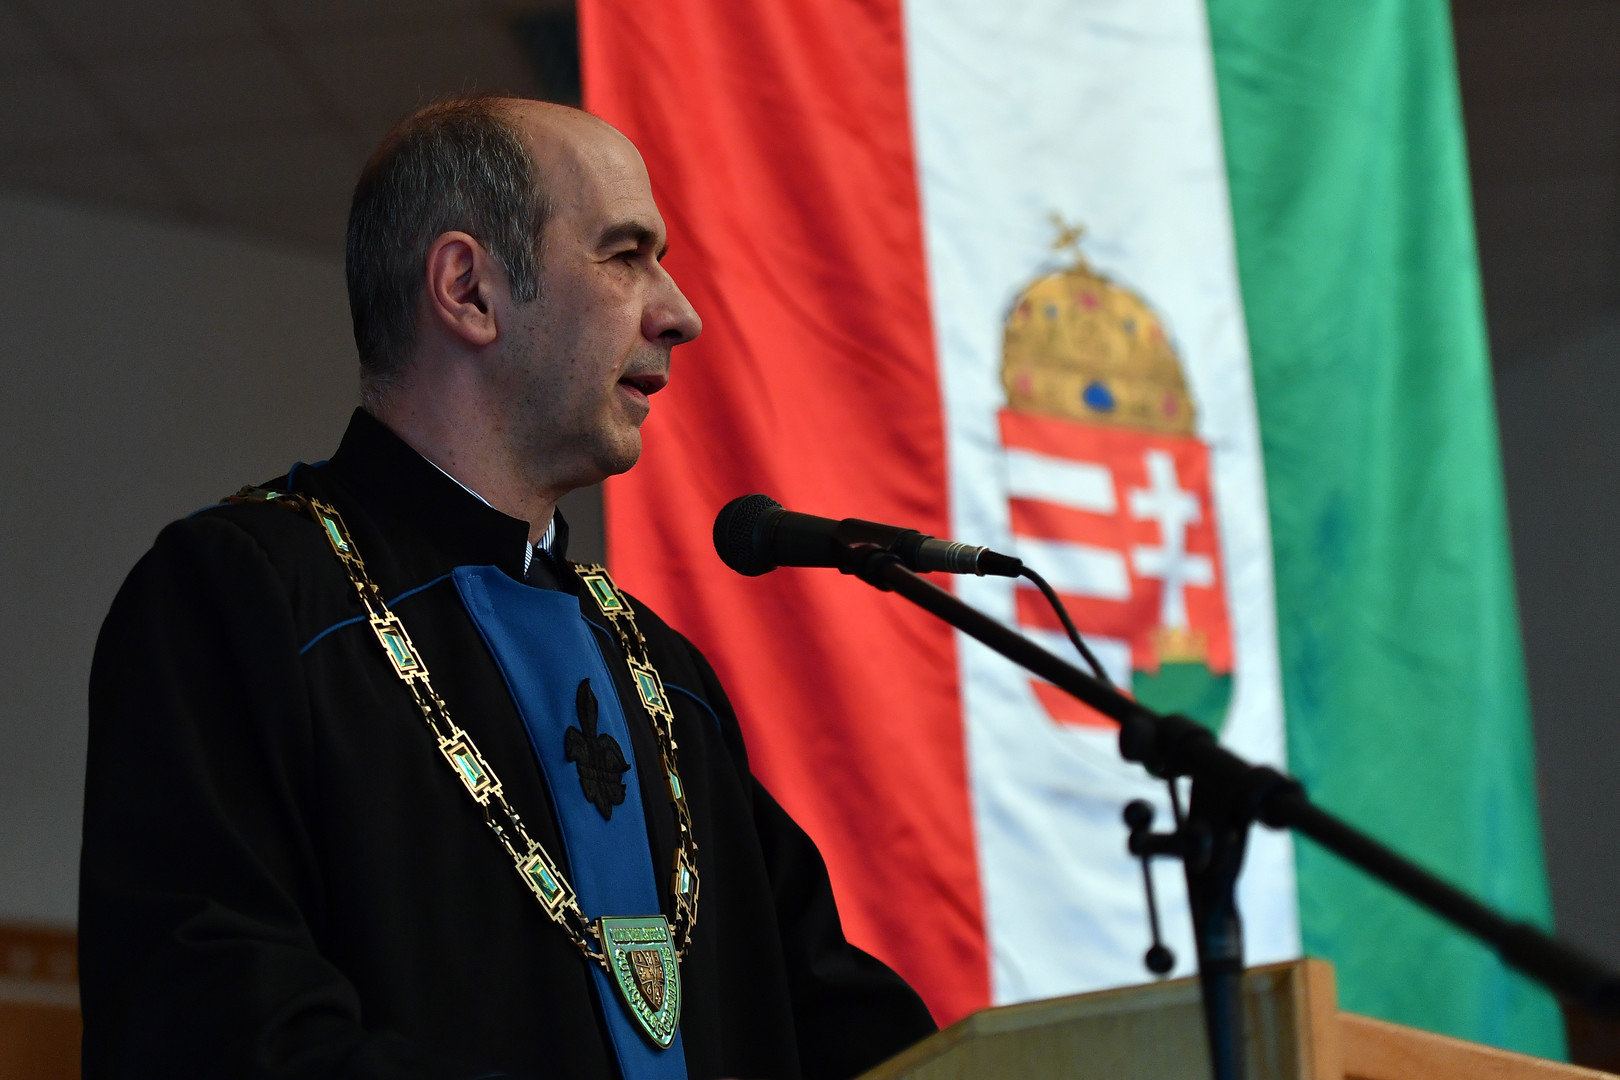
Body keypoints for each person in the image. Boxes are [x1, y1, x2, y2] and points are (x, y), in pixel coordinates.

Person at [80, 96, 937, 1080]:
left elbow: (843, 1026)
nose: (680, 313)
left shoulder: (665, 679)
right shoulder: (244, 598)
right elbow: (209, 1022)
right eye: (626, 255)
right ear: (468, 289)